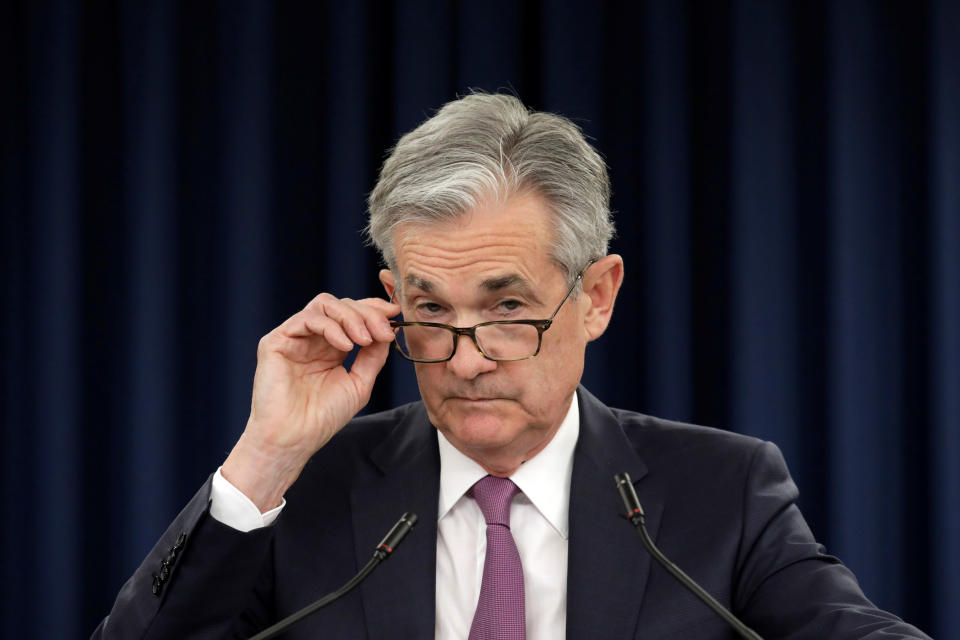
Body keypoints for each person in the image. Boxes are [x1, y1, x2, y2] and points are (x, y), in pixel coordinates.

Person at [93, 93, 930, 639]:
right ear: (389, 299)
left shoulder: (726, 491)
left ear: (596, 296)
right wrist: (267, 456)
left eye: (505, 310)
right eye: (430, 312)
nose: (467, 359)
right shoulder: (307, 490)